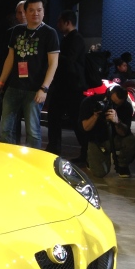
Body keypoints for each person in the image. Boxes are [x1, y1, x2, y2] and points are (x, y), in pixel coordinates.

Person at [0, 0, 60, 149]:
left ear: (43, 12)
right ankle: (8, 161)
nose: (35, 13)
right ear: (25, 12)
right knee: (5, 129)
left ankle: (32, 165)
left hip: (34, 90)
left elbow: (53, 64)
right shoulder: (17, 30)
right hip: (14, 87)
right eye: (31, 10)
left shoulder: (50, 33)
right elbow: (10, 58)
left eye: (39, 10)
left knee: (33, 131)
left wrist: (44, 88)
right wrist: (1, 82)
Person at [46, 10, 87, 161]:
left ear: (67, 22)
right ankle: (53, 148)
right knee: (54, 118)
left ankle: (86, 153)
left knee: (76, 121)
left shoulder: (76, 39)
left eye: (60, 22)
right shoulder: (68, 38)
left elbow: (70, 60)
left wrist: (54, 55)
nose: (58, 25)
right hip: (63, 86)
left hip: (73, 87)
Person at [78, 85, 135, 178]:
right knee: (99, 173)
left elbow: (124, 133)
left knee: (131, 141)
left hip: (116, 139)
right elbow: (85, 128)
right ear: (107, 96)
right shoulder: (90, 102)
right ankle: (89, 158)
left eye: (118, 104)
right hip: (97, 140)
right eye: (113, 103)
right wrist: (95, 116)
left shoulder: (126, 107)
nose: (114, 106)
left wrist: (117, 122)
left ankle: (123, 165)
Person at [0, 0, 26, 140]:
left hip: (26, 83)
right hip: (7, 79)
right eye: (19, 12)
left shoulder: (39, 33)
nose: (21, 15)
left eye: (24, 11)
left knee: (20, 116)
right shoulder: (10, 33)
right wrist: (1, 81)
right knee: (0, 109)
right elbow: (1, 57)